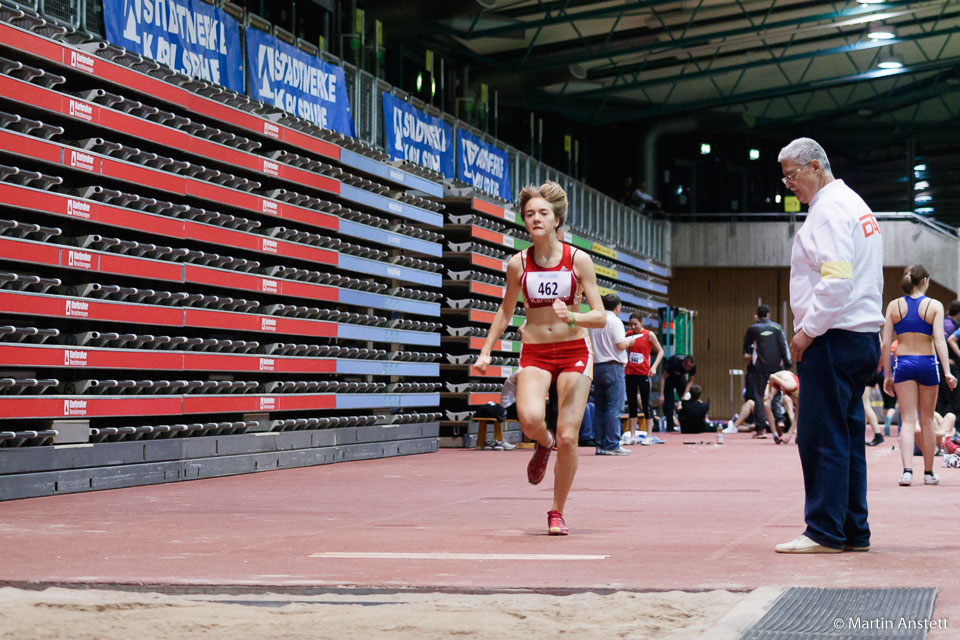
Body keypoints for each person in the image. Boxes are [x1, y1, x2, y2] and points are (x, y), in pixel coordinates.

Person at [475, 181, 606, 536]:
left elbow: (601, 315)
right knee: (530, 420)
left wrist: (573, 317)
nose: (535, 218)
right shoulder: (517, 263)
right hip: (535, 350)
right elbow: (505, 311)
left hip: (575, 350)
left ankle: (556, 511)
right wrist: (487, 349)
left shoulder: (578, 260)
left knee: (568, 434)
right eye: (529, 213)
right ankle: (542, 444)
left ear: (556, 219)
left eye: (542, 213)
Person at [775, 137, 884, 554]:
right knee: (848, 438)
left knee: (821, 437)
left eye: (791, 173)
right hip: (858, 336)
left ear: (816, 166)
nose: (788, 183)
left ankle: (823, 530)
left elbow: (837, 279)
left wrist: (807, 331)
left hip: (833, 337)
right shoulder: (856, 205)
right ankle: (853, 529)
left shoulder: (828, 210)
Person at [881, 265, 957, 487]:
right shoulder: (935, 305)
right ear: (924, 280)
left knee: (907, 420)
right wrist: (947, 371)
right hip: (927, 362)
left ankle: (906, 472)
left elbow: (886, 343)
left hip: (903, 363)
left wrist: (887, 374)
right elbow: (940, 340)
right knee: (926, 419)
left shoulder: (894, 306)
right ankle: (929, 472)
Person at [589, 293, 638, 455]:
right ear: (618, 307)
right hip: (613, 367)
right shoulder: (615, 321)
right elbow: (620, 345)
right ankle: (612, 444)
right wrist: (631, 341)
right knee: (614, 408)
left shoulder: (595, 321)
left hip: (597, 367)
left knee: (600, 408)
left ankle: (600, 445)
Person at [743, 304, 792, 438]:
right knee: (776, 394)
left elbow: (746, 345)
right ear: (768, 315)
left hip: (760, 367)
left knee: (759, 395)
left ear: (757, 316)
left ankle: (761, 428)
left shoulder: (753, 329)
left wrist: (746, 354)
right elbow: (784, 345)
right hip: (776, 367)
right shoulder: (777, 327)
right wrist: (787, 363)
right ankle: (780, 419)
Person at [624, 312, 664, 445]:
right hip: (630, 372)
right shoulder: (629, 335)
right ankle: (632, 435)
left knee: (646, 404)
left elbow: (661, 351)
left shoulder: (649, 335)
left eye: (636, 324)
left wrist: (654, 367)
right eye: (631, 325)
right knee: (632, 404)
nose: (633, 327)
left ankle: (649, 435)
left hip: (644, 373)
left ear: (642, 322)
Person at [763, 370, 799, 444]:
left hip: (786, 382)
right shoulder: (789, 386)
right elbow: (772, 376)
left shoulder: (799, 398)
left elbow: (795, 419)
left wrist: (789, 436)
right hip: (776, 379)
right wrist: (769, 392)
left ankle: (778, 435)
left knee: (796, 412)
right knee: (766, 403)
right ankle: (775, 435)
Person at [661, 354, 695, 431]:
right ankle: (670, 427)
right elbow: (663, 378)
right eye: (689, 367)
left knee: (685, 402)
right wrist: (661, 394)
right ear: (684, 363)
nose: (690, 369)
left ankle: (685, 425)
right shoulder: (674, 362)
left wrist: (684, 394)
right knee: (669, 403)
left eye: (691, 367)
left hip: (680, 379)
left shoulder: (692, 367)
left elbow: (691, 381)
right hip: (669, 380)